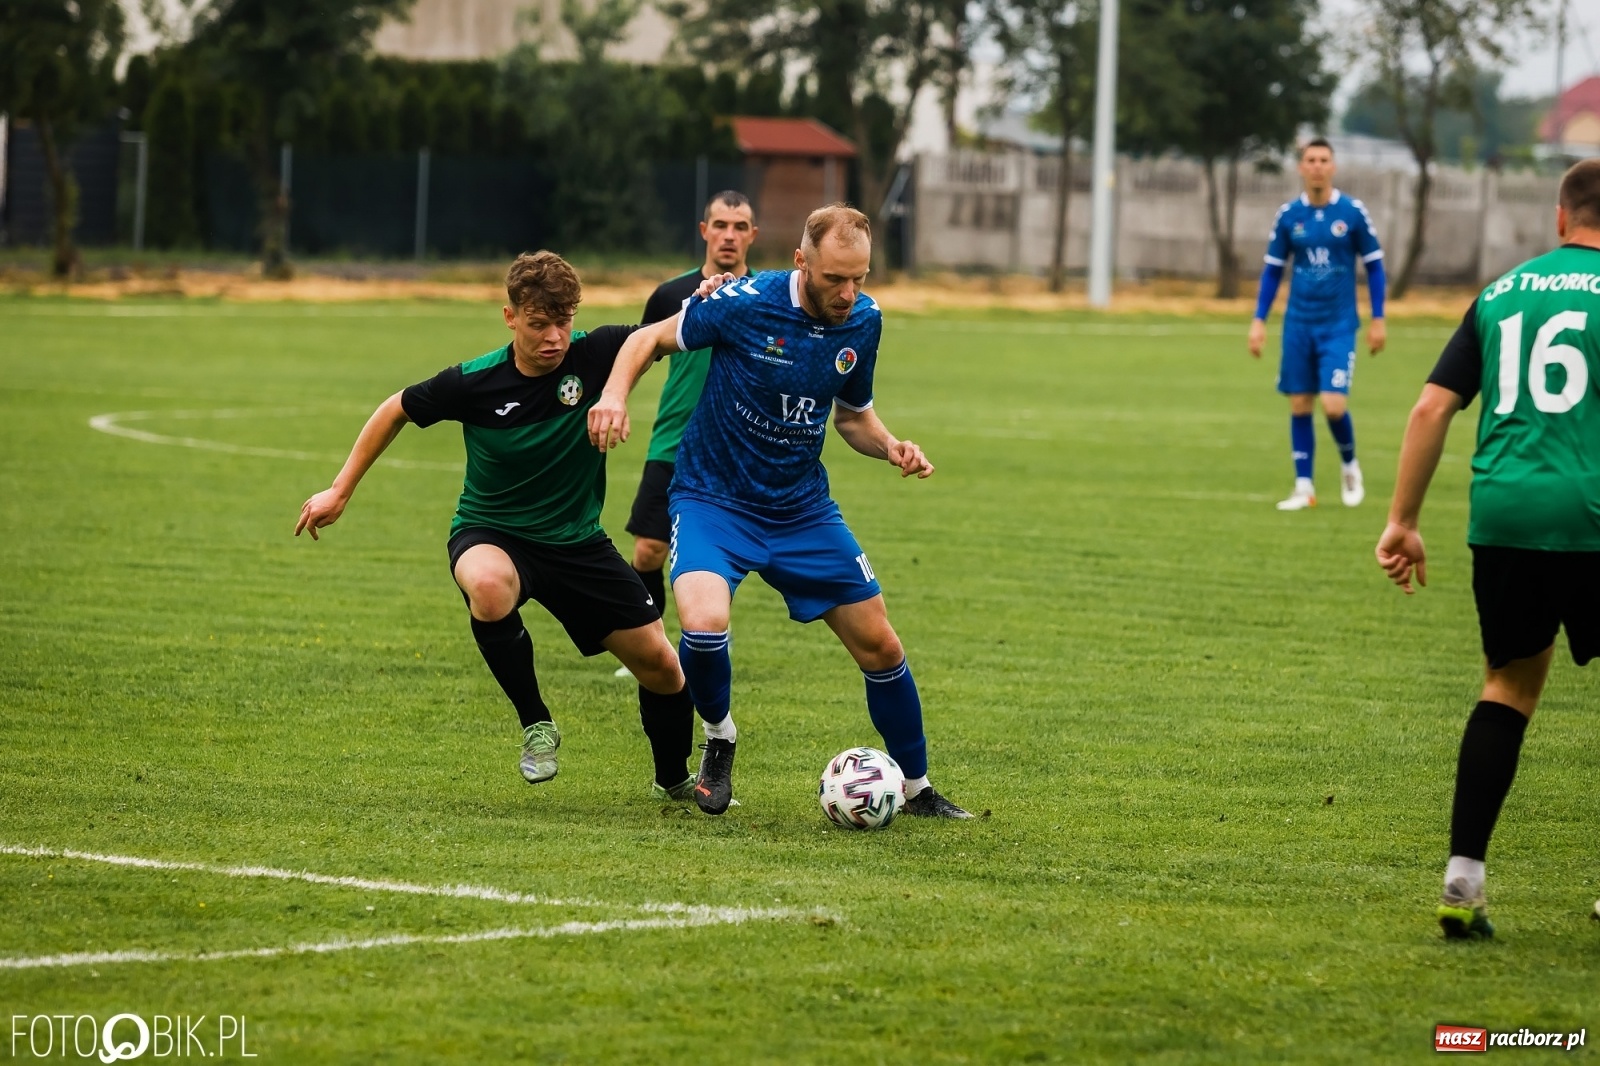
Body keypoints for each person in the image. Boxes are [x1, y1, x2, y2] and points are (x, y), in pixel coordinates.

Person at [587, 204, 972, 819]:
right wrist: (613, 396)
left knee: (882, 646)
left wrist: (892, 446)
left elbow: (853, 416)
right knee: (703, 624)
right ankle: (719, 739)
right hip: (713, 500)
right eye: (834, 279)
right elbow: (647, 338)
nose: (847, 293)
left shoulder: (864, 320)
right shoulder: (744, 302)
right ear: (801, 261)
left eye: (859, 278)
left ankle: (918, 789)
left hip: (801, 510)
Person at [295, 251, 710, 801]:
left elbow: (663, 333)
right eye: (538, 324)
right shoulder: (475, 382)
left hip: (576, 542)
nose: (553, 338)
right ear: (510, 317)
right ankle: (536, 722)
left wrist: (707, 299)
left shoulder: (596, 352)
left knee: (661, 666)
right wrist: (340, 489)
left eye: (563, 322)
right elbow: (395, 408)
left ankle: (672, 779)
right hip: (492, 531)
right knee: (488, 586)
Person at [1375, 158, 1600, 939]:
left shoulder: (1501, 293)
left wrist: (1402, 520)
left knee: (1506, 687)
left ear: (1560, 219)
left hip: (1504, 516)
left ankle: (1462, 881)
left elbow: (1430, 409)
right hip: (1593, 513)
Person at [613, 192, 758, 679]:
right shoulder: (669, 294)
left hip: (737, 448)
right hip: (673, 440)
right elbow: (639, 351)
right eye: (721, 225)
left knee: (724, 551)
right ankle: (651, 646)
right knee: (647, 550)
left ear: (752, 236)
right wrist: (616, 398)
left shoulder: (769, 297)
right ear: (704, 231)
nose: (729, 235)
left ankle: (712, 636)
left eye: (740, 226)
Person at [1249, 138, 1387, 511]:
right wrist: (1259, 320)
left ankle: (1349, 465)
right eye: (1310, 160)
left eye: (1324, 160)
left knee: (1334, 406)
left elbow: (1374, 266)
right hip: (1298, 324)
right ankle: (1304, 487)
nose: (1317, 166)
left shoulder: (1352, 213)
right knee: (1299, 403)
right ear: (1300, 167)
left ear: (1333, 166)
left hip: (1338, 325)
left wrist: (1378, 318)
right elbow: (1272, 271)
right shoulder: (1289, 216)